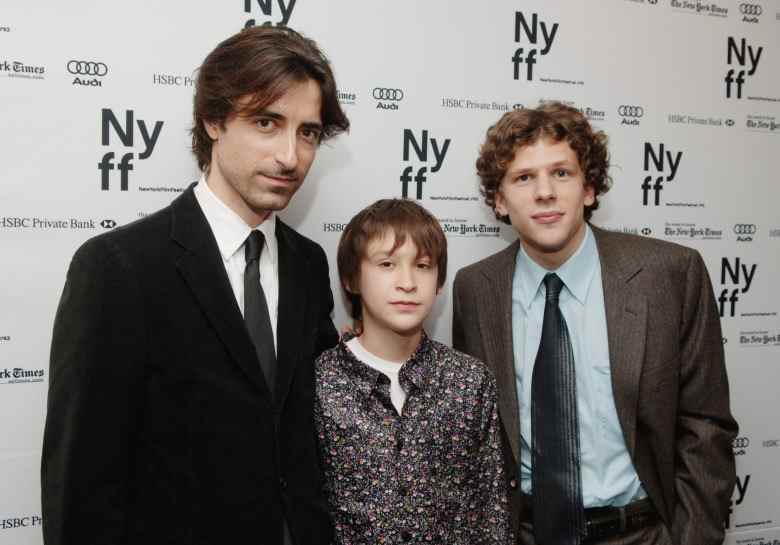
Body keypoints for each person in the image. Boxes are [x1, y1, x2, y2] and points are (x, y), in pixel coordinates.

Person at [41, 26, 349, 545]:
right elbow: (81, 483)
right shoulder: (118, 268)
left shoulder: (308, 264)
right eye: (266, 123)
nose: (291, 157)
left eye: (308, 132)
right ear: (212, 120)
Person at [452, 102, 737, 545]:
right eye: (523, 177)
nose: (544, 192)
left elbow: (706, 429)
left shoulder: (670, 274)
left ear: (589, 188)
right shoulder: (474, 289)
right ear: (500, 200)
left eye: (561, 173)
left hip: (642, 534)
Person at [315, 199, 512, 544]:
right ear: (351, 279)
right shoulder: (320, 381)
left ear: (439, 282)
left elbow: (491, 513)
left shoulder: (469, 382)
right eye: (387, 264)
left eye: (422, 266)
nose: (407, 282)